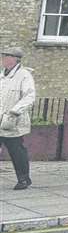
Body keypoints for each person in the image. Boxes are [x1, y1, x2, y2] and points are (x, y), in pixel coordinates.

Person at [0, 47, 37, 190]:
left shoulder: (24, 75)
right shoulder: (2, 75)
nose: (3, 58)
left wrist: (15, 111)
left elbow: (29, 96)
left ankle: (23, 179)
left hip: (12, 121)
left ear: (15, 59)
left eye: (6, 56)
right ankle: (23, 178)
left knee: (16, 151)